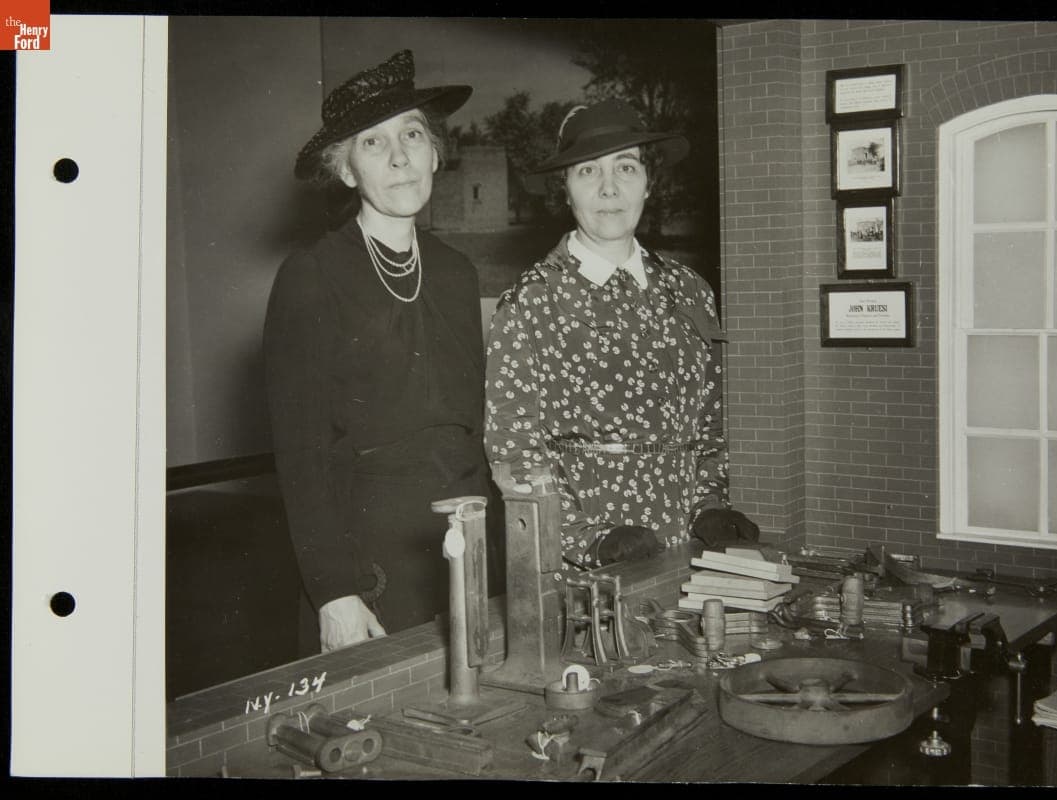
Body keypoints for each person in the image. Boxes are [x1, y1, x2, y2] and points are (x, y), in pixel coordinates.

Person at [264, 50, 492, 651]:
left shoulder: (457, 274)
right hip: (369, 563)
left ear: (435, 152)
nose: (399, 157)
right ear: (345, 171)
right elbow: (302, 452)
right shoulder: (312, 274)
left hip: (465, 551)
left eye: (412, 134)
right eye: (373, 143)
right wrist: (335, 592)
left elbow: (470, 433)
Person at [484, 100, 760, 573]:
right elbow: (514, 454)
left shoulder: (691, 291)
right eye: (588, 171)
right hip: (587, 563)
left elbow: (710, 427)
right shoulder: (531, 301)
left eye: (626, 167)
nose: (609, 187)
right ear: (565, 190)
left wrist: (709, 507)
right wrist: (588, 541)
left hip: (682, 549)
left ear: (648, 184)